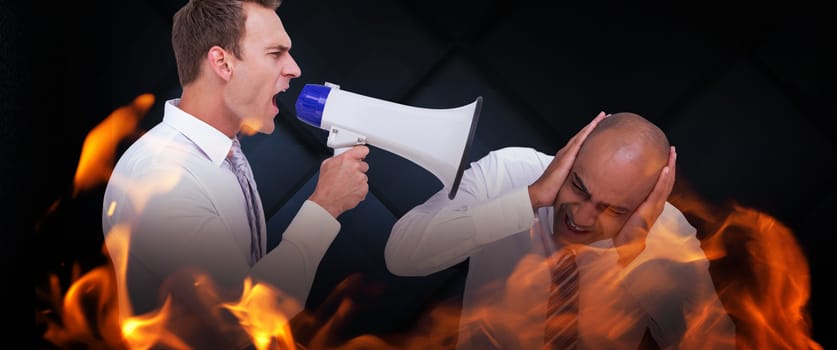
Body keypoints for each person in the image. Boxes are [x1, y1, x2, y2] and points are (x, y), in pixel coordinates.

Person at [101, 0, 369, 347]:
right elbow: (243, 314)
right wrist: (324, 207)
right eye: (275, 53)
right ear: (222, 62)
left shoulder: (220, 155)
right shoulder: (163, 176)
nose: (294, 69)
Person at [385, 112, 736, 349]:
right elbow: (401, 255)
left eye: (613, 210)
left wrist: (637, 260)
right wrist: (530, 199)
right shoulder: (509, 172)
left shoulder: (667, 232)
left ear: (646, 203)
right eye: (578, 187)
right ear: (569, 154)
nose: (582, 218)